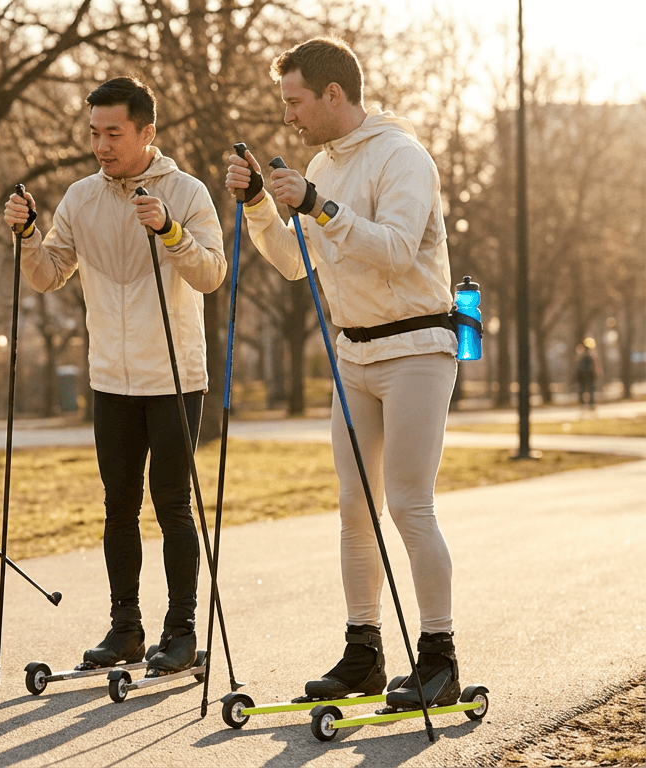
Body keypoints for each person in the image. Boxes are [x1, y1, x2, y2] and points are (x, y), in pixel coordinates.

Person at [225, 37, 463, 710]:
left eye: (295, 102)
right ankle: (364, 653)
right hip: (354, 353)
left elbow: (392, 250)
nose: (289, 116)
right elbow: (296, 261)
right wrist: (258, 207)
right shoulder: (320, 162)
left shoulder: (404, 157)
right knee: (354, 507)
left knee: (408, 502)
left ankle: (439, 655)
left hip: (416, 347)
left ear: (334, 94)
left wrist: (319, 205)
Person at [4, 76, 226, 675]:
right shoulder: (80, 198)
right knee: (118, 506)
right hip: (112, 379)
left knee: (173, 506)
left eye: (114, 133)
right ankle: (125, 627)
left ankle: (180, 632)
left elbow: (211, 274)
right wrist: (26, 234)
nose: (101, 145)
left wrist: (169, 232)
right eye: (95, 133)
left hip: (176, 376)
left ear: (147, 132)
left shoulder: (187, 192)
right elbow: (49, 274)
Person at [575, 339, 600, 409]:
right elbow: (595, 362)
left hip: (581, 373)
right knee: (591, 388)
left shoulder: (580, 350)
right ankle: (591, 404)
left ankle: (582, 403)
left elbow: (577, 361)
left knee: (582, 389)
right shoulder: (592, 352)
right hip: (590, 373)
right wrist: (598, 371)